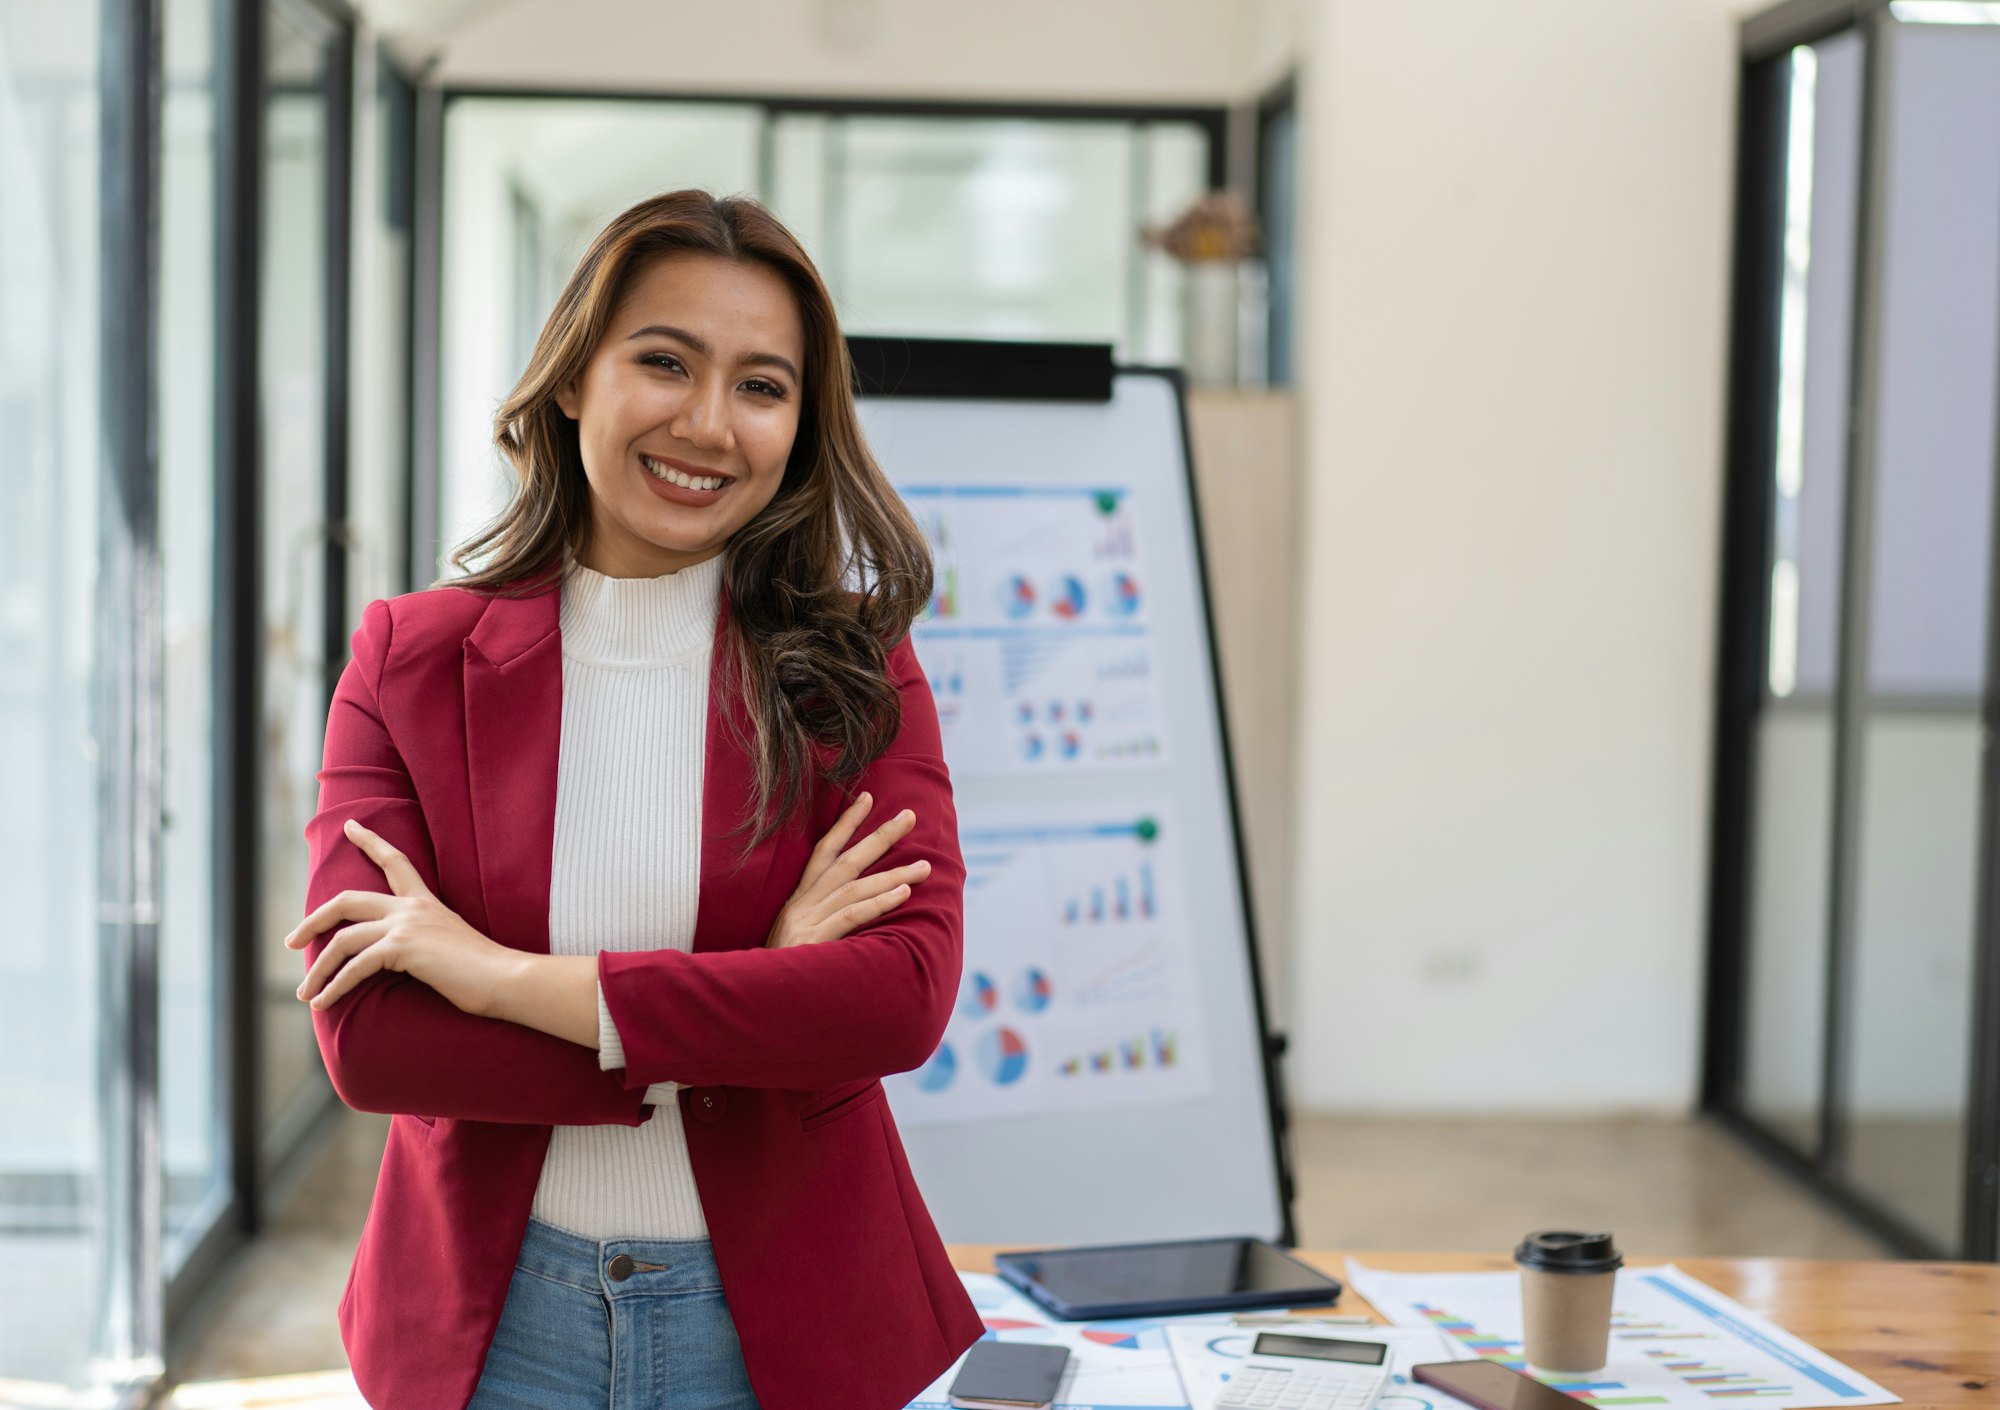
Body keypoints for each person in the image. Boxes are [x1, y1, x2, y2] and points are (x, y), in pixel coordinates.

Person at [282, 189, 982, 1410]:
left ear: (801, 424)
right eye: (664, 362)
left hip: (781, 1314)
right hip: (494, 1324)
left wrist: (498, 977)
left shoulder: (855, 666)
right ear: (571, 380)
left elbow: (899, 998)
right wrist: (758, 987)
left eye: (762, 387)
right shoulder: (410, 659)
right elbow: (374, 1039)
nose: (708, 424)